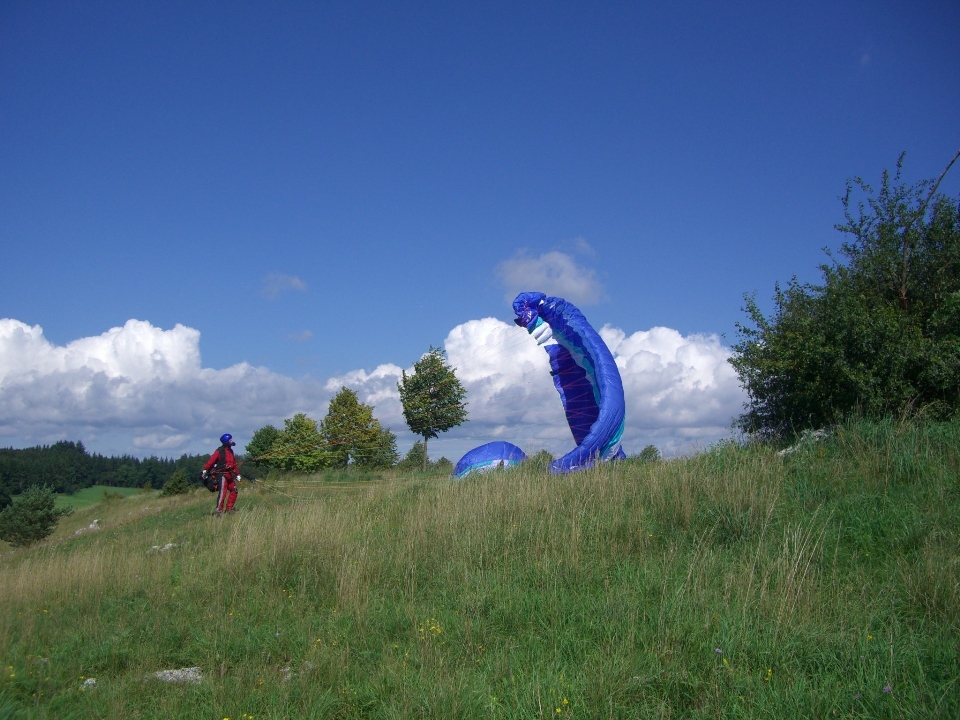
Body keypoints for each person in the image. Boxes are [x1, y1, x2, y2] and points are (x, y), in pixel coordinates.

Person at [203, 433, 241, 516]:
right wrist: (205, 469)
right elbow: (211, 460)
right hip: (222, 474)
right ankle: (219, 510)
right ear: (226, 441)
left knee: (234, 490)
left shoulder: (231, 451)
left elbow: (233, 464)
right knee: (222, 492)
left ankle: (229, 509)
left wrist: (237, 474)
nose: (232, 441)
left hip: (229, 474)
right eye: (230, 440)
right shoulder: (219, 451)